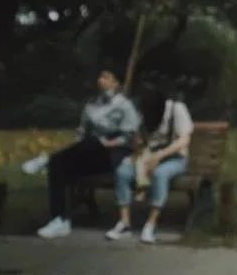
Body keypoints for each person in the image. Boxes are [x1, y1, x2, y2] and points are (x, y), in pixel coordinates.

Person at [36, 69, 140, 239]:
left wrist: (108, 143)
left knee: (92, 142)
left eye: (106, 77)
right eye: (100, 77)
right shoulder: (92, 104)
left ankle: (47, 159)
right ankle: (59, 220)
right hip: (88, 153)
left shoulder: (125, 105)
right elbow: (82, 132)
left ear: (116, 83)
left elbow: (131, 138)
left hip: (110, 155)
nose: (101, 80)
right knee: (58, 166)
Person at [106, 87, 194, 244]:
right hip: (148, 155)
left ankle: (151, 224)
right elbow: (141, 140)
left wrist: (159, 156)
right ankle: (124, 223)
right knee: (123, 171)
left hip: (175, 159)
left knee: (160, 174)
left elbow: (184, 140)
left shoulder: (177, 109)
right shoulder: (144, 114)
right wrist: (137, 146)